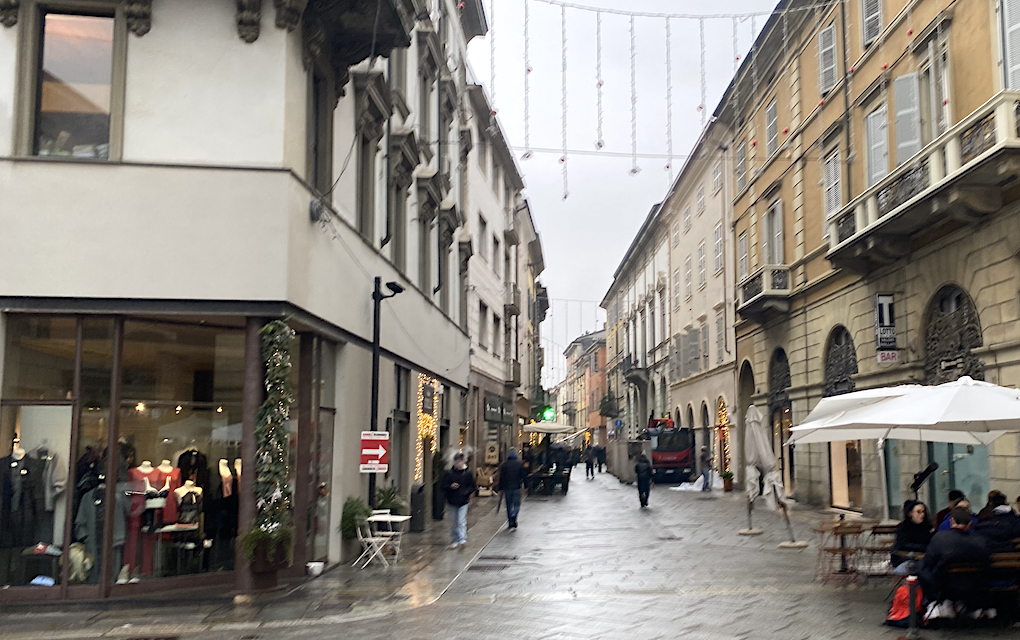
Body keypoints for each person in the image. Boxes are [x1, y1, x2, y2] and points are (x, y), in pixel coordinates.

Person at [918, 506, 990, 609]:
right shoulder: (979, 542)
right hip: (972, 584)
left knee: (921, 566)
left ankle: (933, 603)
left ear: (952, 521)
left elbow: (929, 561)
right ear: (970, 524)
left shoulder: (940, 538)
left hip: (944, 584)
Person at [440, 453, 476, 549]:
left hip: (463, 501)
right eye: (456, 461)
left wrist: (466, 492)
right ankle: (455, 539)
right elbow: (443, 486)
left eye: (459, 461)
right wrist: (450, 486)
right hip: (452, 500)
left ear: (463, 461)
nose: (458, 463)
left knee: (461, 521)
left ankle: (462, 539)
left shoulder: (467, 474)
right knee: (454, 522)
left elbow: (472, 486)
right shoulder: (449, 474)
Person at [891, 500, 933, 575]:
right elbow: (903, 544)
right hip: (905, 559)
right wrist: (923, 547)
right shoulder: (903, 527)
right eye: (918, 512)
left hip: (924, 558)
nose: (922, 515)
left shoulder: (927, 527)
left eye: (923, 512)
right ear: (910, 514)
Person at [497, 448, 526, 530]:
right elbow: (523, 475)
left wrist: (500, 488)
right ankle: (514, 515)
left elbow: (501, 478)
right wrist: (526, 486)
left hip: (507, 488)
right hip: (516, 487)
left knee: (508, 505)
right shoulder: (519, 464)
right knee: (517, 504)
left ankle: (510, 522)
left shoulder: (504, 465)